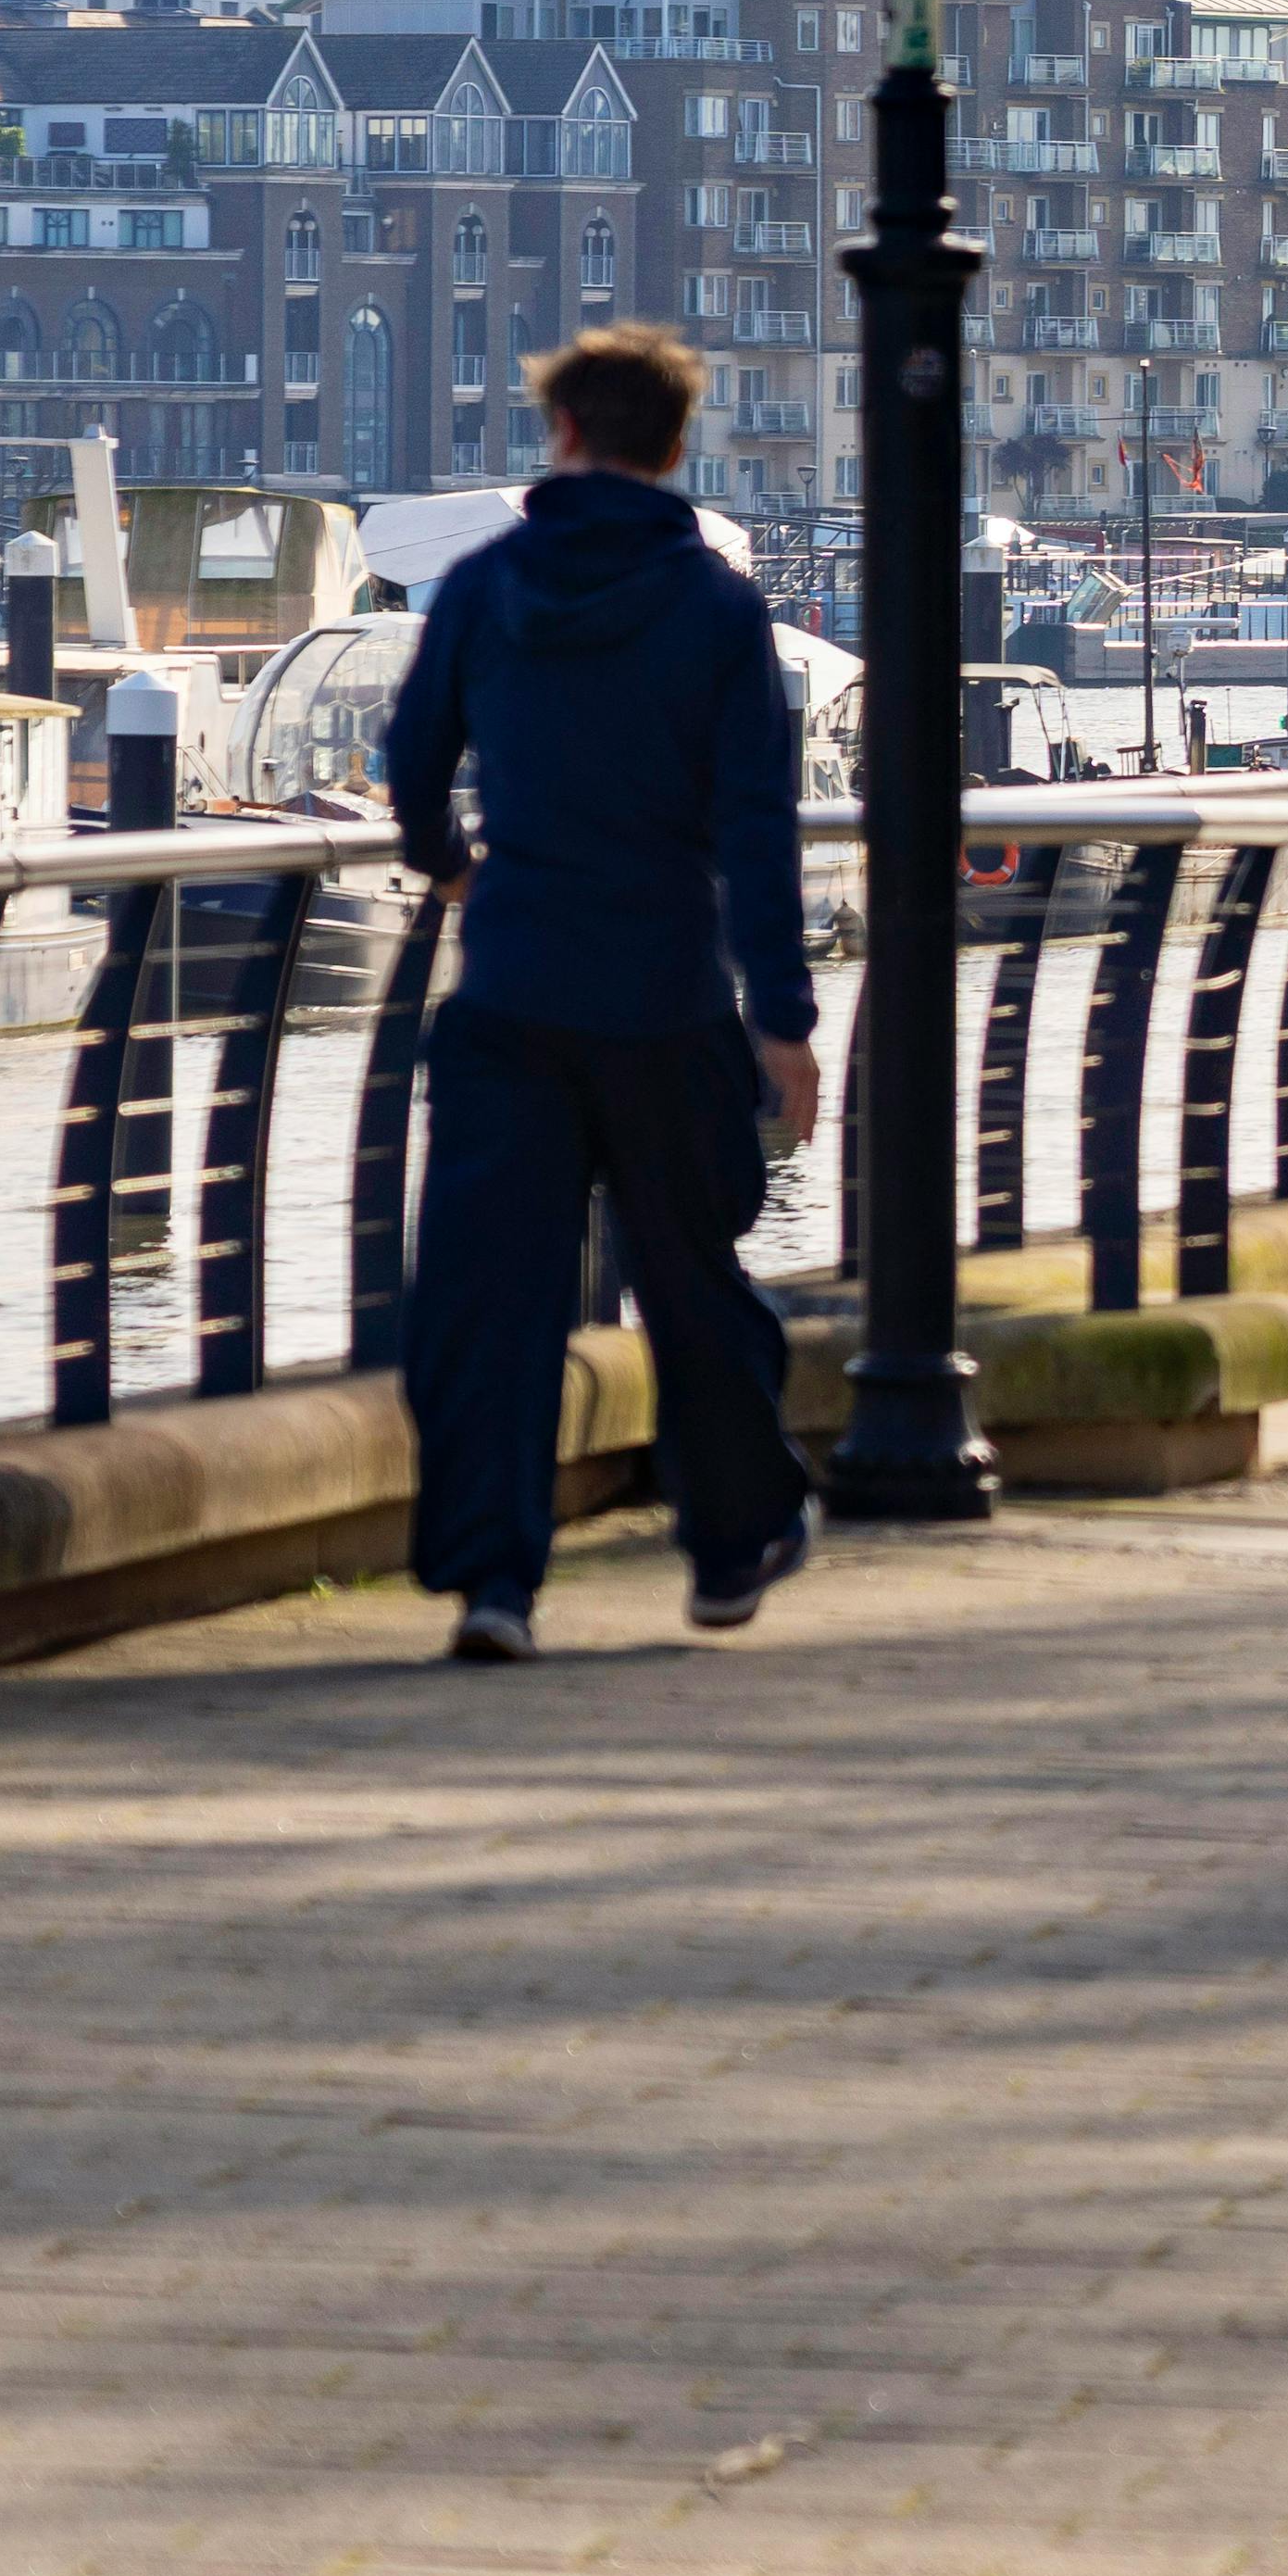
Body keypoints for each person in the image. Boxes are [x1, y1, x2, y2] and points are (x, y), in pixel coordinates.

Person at [381, 321, 829, 1665]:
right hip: (662, 989)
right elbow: (759, 827)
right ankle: (733, 1538)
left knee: (489, 1294)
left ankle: (494, 1582)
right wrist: (785, 1023)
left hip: (512, 984)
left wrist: (451, 869)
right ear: (677, 445)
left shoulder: (482, 585)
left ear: (562, 433)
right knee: (690, 1272)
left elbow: (412, 761)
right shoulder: (715, 606)